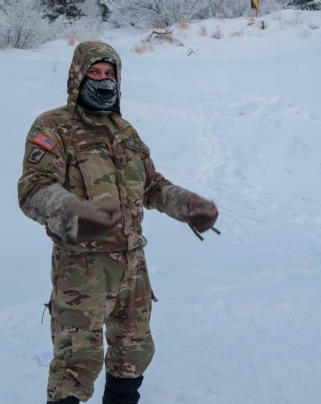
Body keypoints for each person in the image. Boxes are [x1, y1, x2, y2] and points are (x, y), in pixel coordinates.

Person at [17, 41, 219, 404]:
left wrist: (189, 205)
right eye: (94, 73)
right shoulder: (53, 127)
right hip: (82, 270)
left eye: (109, 74)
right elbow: (34, 189)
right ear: (77, 77)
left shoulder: (125, 131)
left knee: (133, 353)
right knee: (76, 363)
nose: (103, 80)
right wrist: (72, 214)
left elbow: (153, 186)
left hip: (132, 266)